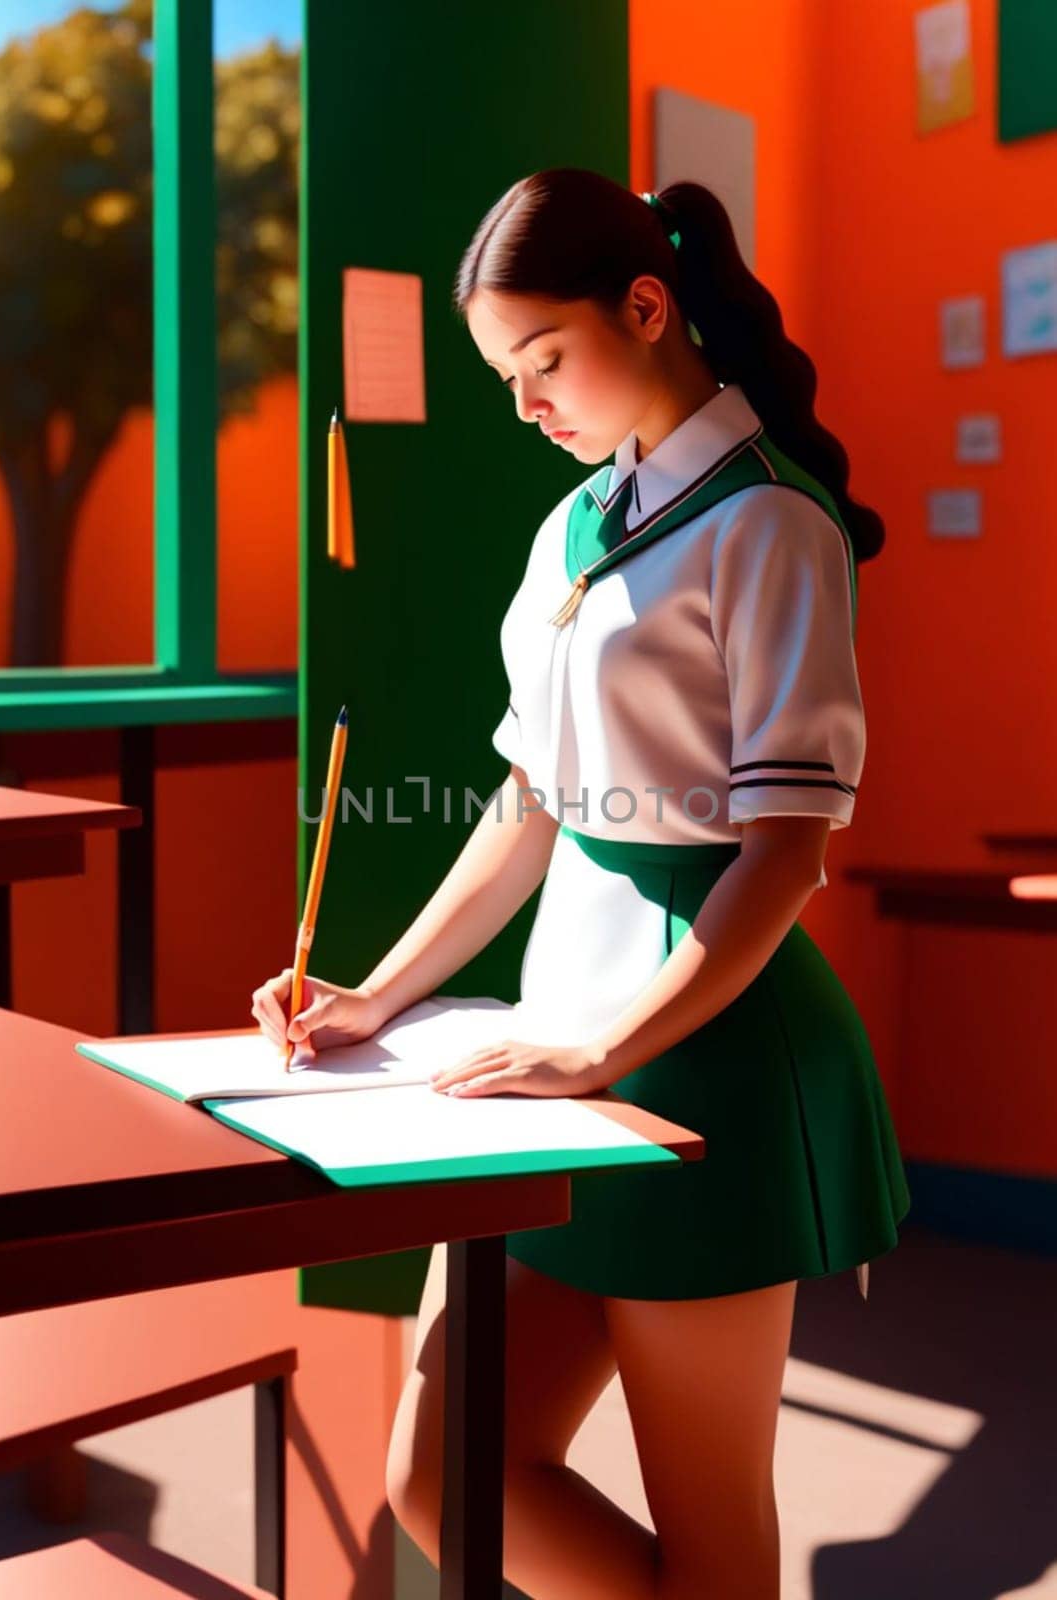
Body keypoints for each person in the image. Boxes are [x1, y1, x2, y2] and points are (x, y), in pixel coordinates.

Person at [251, 167, 911, 1599]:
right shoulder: (572, 528)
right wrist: (377, 994)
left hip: (707, 1058)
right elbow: (531, 812)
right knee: (442, 1473)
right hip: (554, 1040)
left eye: (545, 362)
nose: (528, 406)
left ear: (650, 306)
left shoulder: (769, 528)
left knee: (713, 1526)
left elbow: (783, 856)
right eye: (507, 377)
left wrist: (605, 1047)